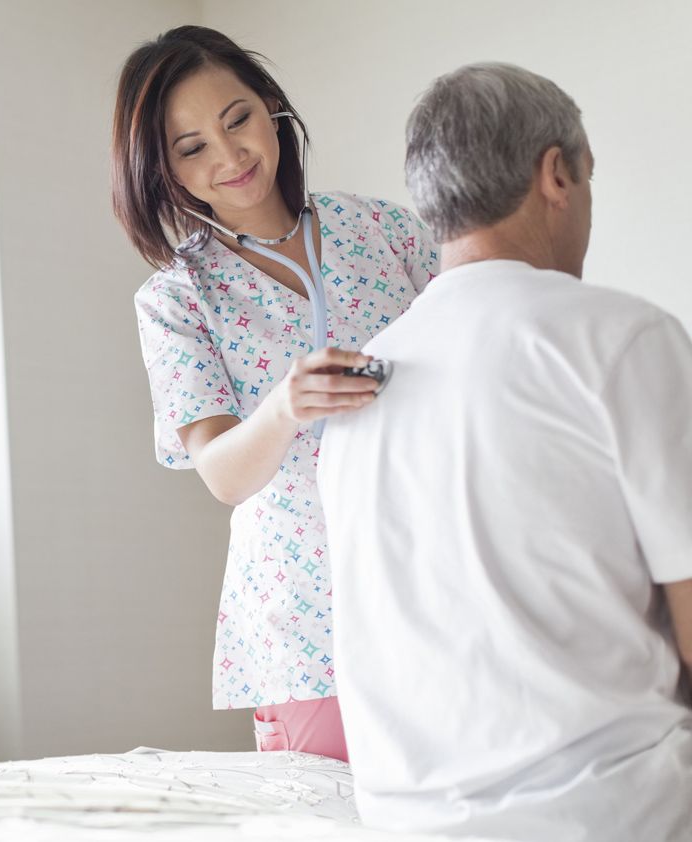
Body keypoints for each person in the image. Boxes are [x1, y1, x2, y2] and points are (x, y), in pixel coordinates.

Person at [318, 63, 692, 840]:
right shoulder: (622, 338)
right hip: (611, 810)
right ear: (556, 173)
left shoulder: (357, 391)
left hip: (403, 819)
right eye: (586, 180)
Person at [110, 25, 437, 761]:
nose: (230, 156)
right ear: (164, 171)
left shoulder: (384, 230)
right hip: (304, 614)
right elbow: (223, 473)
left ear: (271, 108)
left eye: (238, 120)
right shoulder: (176, 300)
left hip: (431, 578)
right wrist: (284, 408)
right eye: (191, 147)